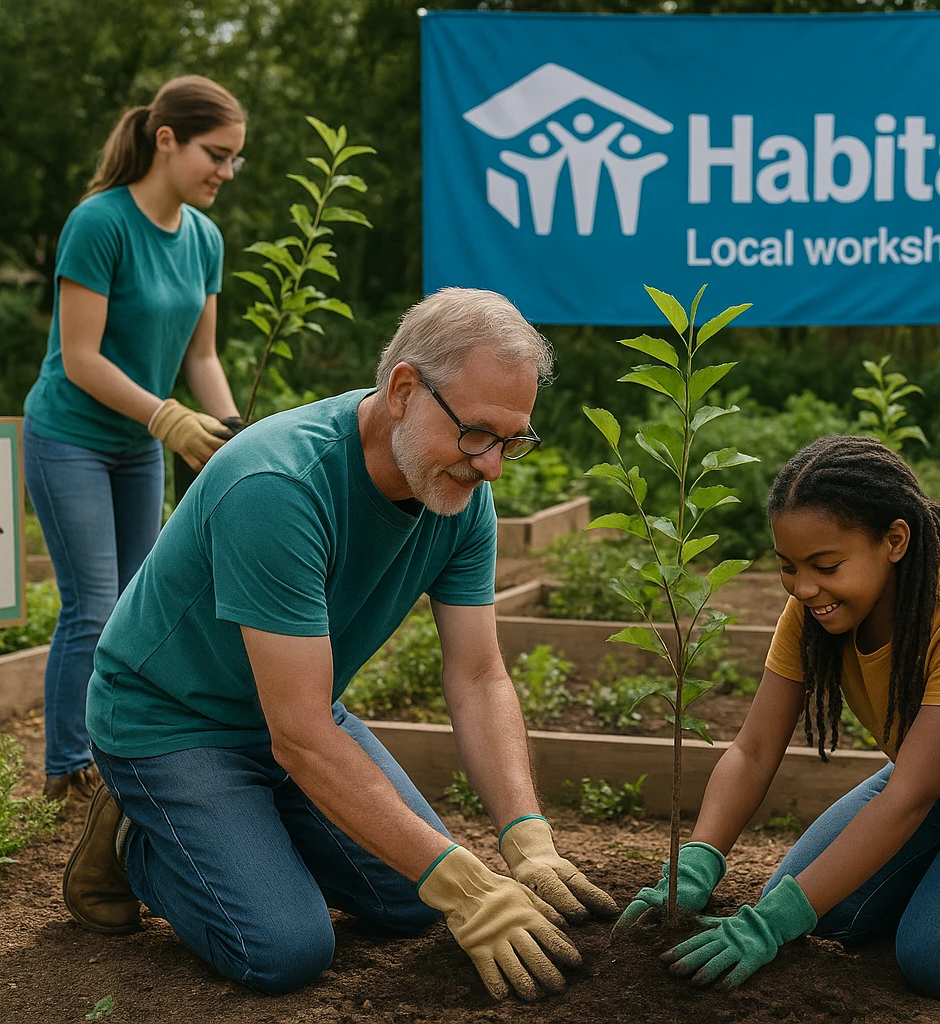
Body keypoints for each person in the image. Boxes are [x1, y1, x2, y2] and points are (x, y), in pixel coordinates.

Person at [60, 288, 617, 999]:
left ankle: (240, 833)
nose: (492, 467)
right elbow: (298, 737)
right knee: (286, 949)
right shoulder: (281, 485)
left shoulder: (460, 497)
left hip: (300, 713)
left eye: (513, 440)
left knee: (418, 902)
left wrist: (524, 834)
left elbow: (477, 676)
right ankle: (143, 840)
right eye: (478, 434)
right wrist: (463, 880)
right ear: (404, 390)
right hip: (172, 722)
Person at [616, 435, 940, 998]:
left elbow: (907, 799)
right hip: (937, 785)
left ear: (894, 541)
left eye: (825, 565)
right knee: (826, 914)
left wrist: (771, 925)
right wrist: (700, 857)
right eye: (788, 567)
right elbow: (753, 750)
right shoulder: (813, 613)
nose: (805, 588)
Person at [23, 75, 248, 800]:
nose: (225, 172)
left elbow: (201, 356)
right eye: (215, 154)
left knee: (134, 606)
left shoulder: (205, 238)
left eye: (235, 159)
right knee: (91, 605)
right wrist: (167, 418)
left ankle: (114, 750)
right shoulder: (100, 223)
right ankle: (65, 766)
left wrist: (234, 432)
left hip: (138, 444)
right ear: (165, 140)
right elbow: (81, 358)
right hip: (70, 436)